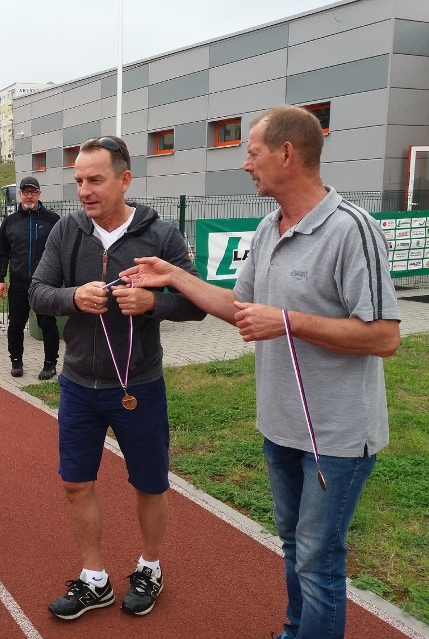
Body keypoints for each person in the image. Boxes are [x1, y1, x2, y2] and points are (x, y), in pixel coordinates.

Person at [121, 105, 401, 639]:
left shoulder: (351, 230)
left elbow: (384, 336)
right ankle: (296, 630)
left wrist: (288, 322)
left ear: (287, 154)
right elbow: (238, 308)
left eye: (252, 152)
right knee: (296, 548)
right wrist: (173, 276)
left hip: (337, 438)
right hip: (281, 427)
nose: (246, 164)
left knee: (318, 561)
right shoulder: (270, 226)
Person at [29, 136, 206, 620]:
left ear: (124, 180)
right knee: (76, 484)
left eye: (95, 180)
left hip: (139, 385)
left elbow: (195, 304)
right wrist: (71, 298)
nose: (84, 191)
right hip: (78, 387)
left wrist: (153, 303)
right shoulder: (67, 231)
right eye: (79, 181)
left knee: (149, 484)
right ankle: (95, 578)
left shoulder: (160, 235)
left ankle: (149, 566)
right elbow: (38, 292)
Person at [0, 176, 61, 379]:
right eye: (26, 192)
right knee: (15, 324)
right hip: (19, 282)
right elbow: (1, 252)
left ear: (39, 194)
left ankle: (50, 364)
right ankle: (16, 361)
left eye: (33, 192)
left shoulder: (53, 220)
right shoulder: (10, 222)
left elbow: (62, 251)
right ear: (20, 195)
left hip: (45, 284)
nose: (29, 196)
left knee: (48, 324)